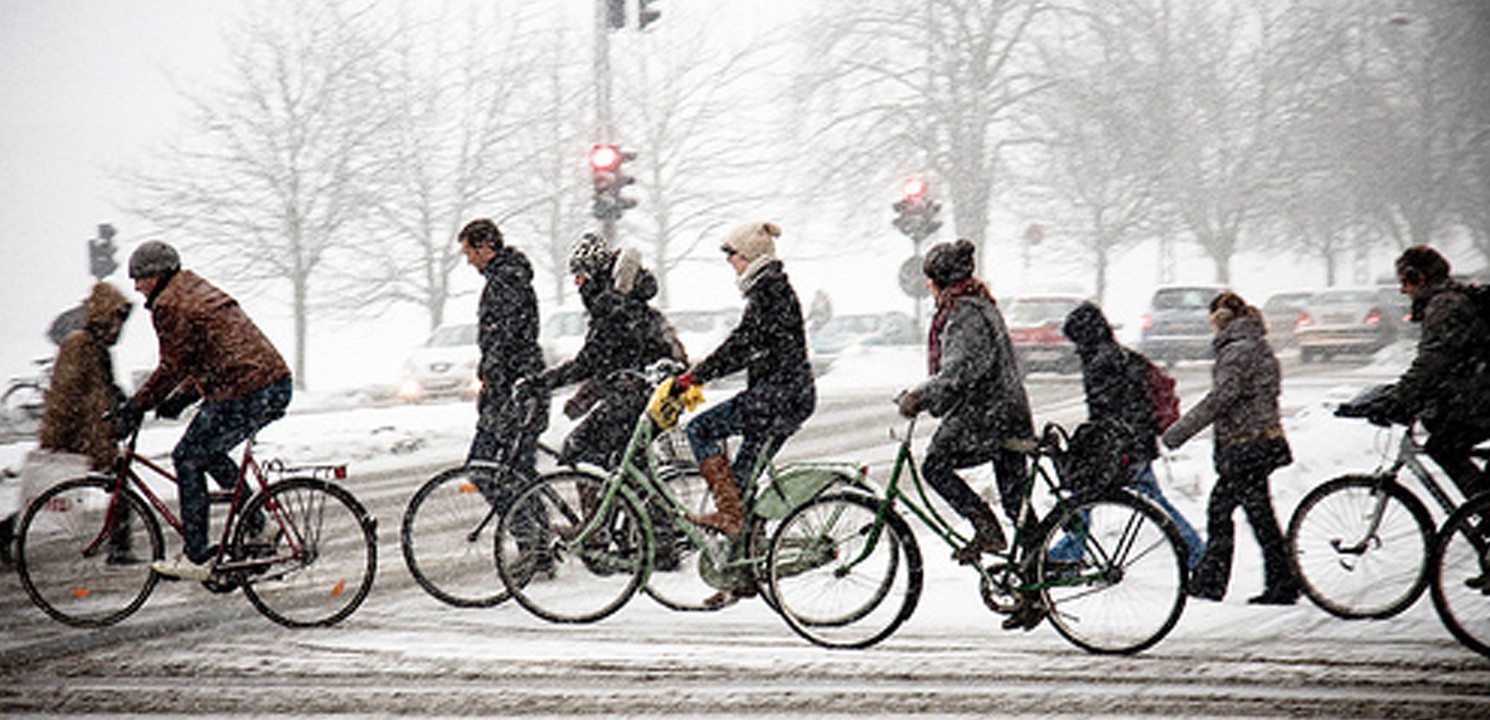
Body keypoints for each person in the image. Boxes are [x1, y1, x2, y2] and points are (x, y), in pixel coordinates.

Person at [115, 241, 293, 581]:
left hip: (247, 389)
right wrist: (181, 398)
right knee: (207, 453)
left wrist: (136, 405)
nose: (136, 287)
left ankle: (197, 555)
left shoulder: (170, 304)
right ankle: (260, 524)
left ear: (158, 274)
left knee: (187, 456)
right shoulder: (191, 290)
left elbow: (173, 365)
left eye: (140, 278)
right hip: (268, 384)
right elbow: (205, 355)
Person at [897, 239, 1034, 567]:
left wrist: (921, 396)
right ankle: (1034, 577)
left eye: (931, 279)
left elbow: (961, 369)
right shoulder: (976, 303)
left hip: (988, 414)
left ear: (940, 281)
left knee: (935, 466)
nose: (928, 286)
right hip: (1006, 411)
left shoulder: (965, 313)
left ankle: (986, 528)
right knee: (1016, 503)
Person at [676, 221, 816, 539]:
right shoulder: (771, 288)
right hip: (788, 396)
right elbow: (748, 345)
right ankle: (745, 566)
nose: (730, 262)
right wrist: (701, 374)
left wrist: (697, 376)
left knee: (700, 429)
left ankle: (729, 515)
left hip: (779, 397)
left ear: (751, 256)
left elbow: (742, 345)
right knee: (740, 484)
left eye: (733, 255)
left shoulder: (769, 291)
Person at [1162, 291, 1298, 605]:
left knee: (1225, 512)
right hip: (1262, 440)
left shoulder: (1236, 352)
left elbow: (1221, 399)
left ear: (1220, 320)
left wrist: (1178, 432)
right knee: (1254, 514)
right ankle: (1279, 581)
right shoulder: (1258, 345)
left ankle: (1215, 583)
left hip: (1245, 446)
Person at [1056, 301, 1205, 571]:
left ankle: (1196, 553)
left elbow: (1107, 412)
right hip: (1135, 442)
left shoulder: (1102, 363)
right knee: (1151, 504)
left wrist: (1100, 444)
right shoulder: (1119, 356)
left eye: (1075, 340)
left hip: (1123, 446)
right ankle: (1195, 552)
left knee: (1088, 495)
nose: (1075, 348)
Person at [527, 234, 683, 469]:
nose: (577, 285)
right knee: (622, 463)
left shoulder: (614, 308)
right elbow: (613, 362)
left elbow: (591, 361)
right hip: (661, 392)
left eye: (579, 277)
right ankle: (638, 502)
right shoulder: (623, 303)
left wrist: (540, 383)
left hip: (649, 394)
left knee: (578, 449)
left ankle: (618, 503)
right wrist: (585, 395)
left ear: (593, 275)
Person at [29, 282, 140, 564]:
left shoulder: (97, 346)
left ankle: (120, 547)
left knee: (117, 487)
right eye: (117, 318)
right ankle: (119, 549)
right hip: (80, 436)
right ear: (104, 315)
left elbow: (105, 388)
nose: (119, 327)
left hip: (95, 434)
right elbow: (64, 396)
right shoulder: (79, 344)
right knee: (50, 494)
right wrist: (56, 439)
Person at [1382, 246, 1490, 502]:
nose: (1402, 290)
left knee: (1444, 447)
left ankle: (1483, 510)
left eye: (1405, 281)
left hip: (1483, 398)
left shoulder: (1445, 306)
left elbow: (1433, 361)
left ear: (1418, 277)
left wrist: (1401, 397)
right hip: (1481, 394)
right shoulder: (1451, 299)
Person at [458, 218, 548, 480]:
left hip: (514, 388)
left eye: (469, 253)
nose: (469, 261)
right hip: (516, 386)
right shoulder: (509, 278)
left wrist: (495, 379)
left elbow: (507, 339)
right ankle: (528, 520)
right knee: (516, 473)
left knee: (485, 470)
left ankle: (524, 521)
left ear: (485, 247)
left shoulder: (506, 282)